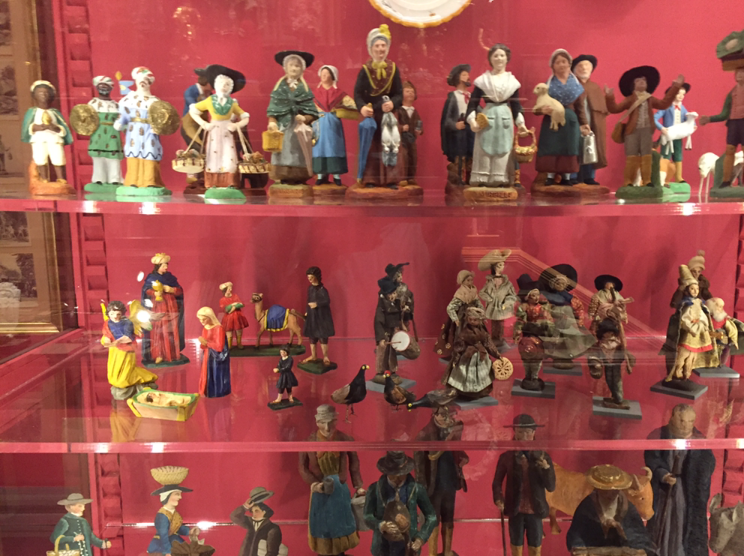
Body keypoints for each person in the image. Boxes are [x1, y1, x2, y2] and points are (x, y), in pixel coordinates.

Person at [644, 404, 715, 556]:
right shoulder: (659, 435)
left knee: (684, 522)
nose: (685, 425)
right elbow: (652, 459)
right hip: (664, 491)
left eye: (690, 421)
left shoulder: (700, 440)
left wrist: (694, 477)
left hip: (686, 493)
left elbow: (707, 464)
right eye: (681, 420)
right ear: (672, 418)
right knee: (662, 523)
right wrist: (663, 475)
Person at [299, 405, 365, 556]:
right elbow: (302, 468)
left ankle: (340, 551)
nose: (327, 427)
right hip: (319, 489)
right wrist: (315, 484)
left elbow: (354, 464)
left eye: (330, 422)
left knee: (341, 522)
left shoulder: (345, 439)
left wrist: (358, 486)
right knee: (321, 524)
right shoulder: (308, 441)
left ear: (336, 420)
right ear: (317, 422)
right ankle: (323, 551)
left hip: (339, 488)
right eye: (323, 422)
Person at [605, 67, 683, 187]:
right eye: (638, 80)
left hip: (646, 131)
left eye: (644, 80)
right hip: (632, 132)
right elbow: (615, 109)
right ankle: (628, 181)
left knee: (647, 156)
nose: (641, 82)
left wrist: (675, 88)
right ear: (633, 85)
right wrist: (609, 97)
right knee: (631, 156)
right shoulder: (630, 99)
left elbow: (664, 104)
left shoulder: (649, 99)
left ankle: (647, 181)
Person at [466, 43, 527, 187]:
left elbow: (516, 106)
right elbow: (472, 104)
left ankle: (500, 178)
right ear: (490, 59)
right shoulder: (483, 81)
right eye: (495, 56)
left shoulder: (512, 82)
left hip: (505, 119)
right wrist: (472, 121)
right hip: (487, 118)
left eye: (502, 55)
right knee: (484, 148)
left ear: (507, 58)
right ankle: (482, 178)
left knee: (503, 148)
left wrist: (521, 124)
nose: (499, 58)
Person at [493, 415, 555, 556]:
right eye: (520, 432)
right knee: (516, 545)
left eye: (528, 432)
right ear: (515, 432)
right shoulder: (507, 457)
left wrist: (546, 469)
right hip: (515, 509)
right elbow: (497, 482)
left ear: (534, 433)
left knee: (535, 546)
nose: (524, 437)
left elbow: (551, 486)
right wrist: (498, 498)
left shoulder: (543, 456)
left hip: (535, 510)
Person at [414, 393, 468, 556]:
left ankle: (447, 551)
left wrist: (463, 458)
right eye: (444, 415)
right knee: (433, 521)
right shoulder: (424, 435)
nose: (447, 419)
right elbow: (422, 464)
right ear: (435, 414)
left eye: (450, 415)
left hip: (450, 483)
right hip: (433, 486)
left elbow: (458, 451)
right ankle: (432, 553)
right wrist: (421, 490)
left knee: (449, 519)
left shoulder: (453, 431)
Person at [354, 24, 404, 188]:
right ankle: (371, 178)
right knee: (372, 147)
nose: (380, 49)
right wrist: (362, 107)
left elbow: (399, 93)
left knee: (390, 145)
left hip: (388, 116)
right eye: (377, 46)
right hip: (373, 116)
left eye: (383, 45)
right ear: (371, 48)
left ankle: (391, 179)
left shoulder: (393, 69)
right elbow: (358, 94)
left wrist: (392, 103)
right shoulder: (365, 70)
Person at [566, 464, 656, 555]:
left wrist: (621, 530)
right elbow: (577, 534)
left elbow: (638, 534)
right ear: (598, 488)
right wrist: (580, 548)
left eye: (615, 490)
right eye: (606, 490)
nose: (610, 494)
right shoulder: (587, 507)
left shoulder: (627, 507)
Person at [363, 451, 438, 556]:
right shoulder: (374, 489)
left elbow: (431, 517)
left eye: (401, 474)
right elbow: (367, 516)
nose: (397, 478)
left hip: (408, 546)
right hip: (383, 548)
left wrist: (420, 539)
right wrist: (381, 525)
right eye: (393, 474)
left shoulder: (417, 489)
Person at [534, 49, 591, 186]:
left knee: (569, 147)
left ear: (569, 64)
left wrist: (584, 123)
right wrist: (542, 110)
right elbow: (538, 105)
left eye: (564, 61)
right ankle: (550, 176)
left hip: (570, 122)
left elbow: (580, 107)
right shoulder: (547, 86)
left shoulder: (576, 86)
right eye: (557, 62)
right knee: (551, 146)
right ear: (552, 65)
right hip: (551, 121)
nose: (561, 65)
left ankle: (567, 176)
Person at [189, 65, 250, 191]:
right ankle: (213, 182)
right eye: (221, 83)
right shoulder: (210, 101)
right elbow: (193, 111)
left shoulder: (232, 103)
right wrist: (204, 124)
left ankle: (229, 182)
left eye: (227, 84)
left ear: (230, 88)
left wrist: (236, 125)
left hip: (227, 131)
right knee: (213, 154)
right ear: (216, 85)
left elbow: (245, 117)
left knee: (228, 154)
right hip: (214, 130)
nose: (224, 86)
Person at [267, 51, 319, 186]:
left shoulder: (304, 89)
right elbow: (274, 107)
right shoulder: (279, 88)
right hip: (283, 127)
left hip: (297, 128)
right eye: (291, 65)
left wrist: (305, 118)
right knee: (282, 150)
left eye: (297, 66)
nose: (294, 68)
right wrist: (272, 122)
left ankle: (299, 176)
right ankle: (282, 175)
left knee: (298, 151)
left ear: (302, 69)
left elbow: (312, 111)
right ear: (285, 67)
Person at [114, 67, 168, 189]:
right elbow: (123, 114)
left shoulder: (155, 102)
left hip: (149, 131)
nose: (143, 82)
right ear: (136, 81)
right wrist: (120, 122)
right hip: (133, 131)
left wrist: (157, 126)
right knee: (133, 152)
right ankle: (132, 180)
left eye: (146, 80)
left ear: (149, 83)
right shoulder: (128, 99)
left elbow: (160, 117)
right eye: (140, 80)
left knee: (150, 152)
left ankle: (150, 181)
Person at [665, 265, 718, 382]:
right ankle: (677, 372)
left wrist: (703, 323)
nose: (695, 291)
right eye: (692, 289)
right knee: (683, 355)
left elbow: (704, 314)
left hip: (698, 332)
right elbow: (683, 318)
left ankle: (687, 373)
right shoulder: (686, 303)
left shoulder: (699, 301)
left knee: (693, 356)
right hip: (690, 332)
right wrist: (692, 326)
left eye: (697, 289)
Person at [101, 300, 157, 400]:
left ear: (122, 313)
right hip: (114, 351)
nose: (115, 316)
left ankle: (146, 377)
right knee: (114, 371)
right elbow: (107, 333)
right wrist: (107, 339)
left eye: (118, 314)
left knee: (126, 372)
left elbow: (128, 338)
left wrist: (116, 342)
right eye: (112, 314)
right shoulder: (108, 322)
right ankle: (119, 383)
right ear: (108, 313)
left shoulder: (128, 323)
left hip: (126, 350)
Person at [443, 306, 502, 399]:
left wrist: (497, 354)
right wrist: (457, 356)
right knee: (465, 372)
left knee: (483, 373)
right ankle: (465, 391)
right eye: (470, 319)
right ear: (467, 319)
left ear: (480, 320)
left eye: (475, 320)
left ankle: (481, 390)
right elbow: (460, 344)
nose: (472, 322)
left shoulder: (483, 331)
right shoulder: (465, 331)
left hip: (481, 356)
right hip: (468, 356)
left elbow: (488, 343)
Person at [699, 68, 744, 187]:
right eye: (737, 72)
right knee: (730, 150)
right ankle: (726, 180)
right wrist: (709, 119)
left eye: (742, 72)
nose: (739, 75)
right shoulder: (732, 93)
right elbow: (724, 114)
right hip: (733, 124)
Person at [313, 65, 356, 185]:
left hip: (333, 123)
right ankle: (320, 174)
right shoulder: (314, 93)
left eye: (327, 74)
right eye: (322, 73)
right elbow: (308, 107)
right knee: (319, 147)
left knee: (334, 147)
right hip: (319, 123)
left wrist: (361, 107)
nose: (324, 75)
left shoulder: (339, 94)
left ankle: (336, 175)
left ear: (332, 77)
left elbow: (351, 103)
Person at [21, 80, 72, 183]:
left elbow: (63, 127)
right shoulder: (32, 112)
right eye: (40, 93)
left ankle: (61, 178)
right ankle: (44, 179)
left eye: (46, 93)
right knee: (40, 158)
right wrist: (35, 127)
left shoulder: (55, 112)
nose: (43, 95)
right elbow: (27, 127)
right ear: (34, 95)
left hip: (54, 139)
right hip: (39, 139)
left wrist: (56, 128)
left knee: (58, 157)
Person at [141, 253, 186, 366]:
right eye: (163, 265)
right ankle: (159, 354)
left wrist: (171, 290)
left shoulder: (170, 277)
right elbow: (146, 291)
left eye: (167, 264)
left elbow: (179, 291)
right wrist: (154, 293)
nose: (166, 267)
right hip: (158, 305)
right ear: (158, 266)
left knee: (171, 328)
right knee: (159, 329)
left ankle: (173, 354)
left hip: (171, 306)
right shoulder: (151, 278)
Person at [571, 54, 607, 185]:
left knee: (591, 149)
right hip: (576, 125)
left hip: (593, 126)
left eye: (587, 65)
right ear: (574, 69)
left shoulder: (595, 87)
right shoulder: (572, 86)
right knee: (575, 150)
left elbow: (603, 109)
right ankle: (572, 176)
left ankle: (589, 176)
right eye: (580, 66)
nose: (584, 68)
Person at [434, 270, 484, 360]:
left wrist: (481, 311)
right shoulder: (460, 293)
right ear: (462, 281)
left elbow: (478, 302)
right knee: (460, 334)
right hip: (462, 317)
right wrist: (455, 319)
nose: (470, 282)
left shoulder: (473, 290)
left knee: (476, 333)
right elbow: (450, 307)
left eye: (471, 280)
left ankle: (473, 352)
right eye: (468, 280)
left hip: (473, 315)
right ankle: (458, 354)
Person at [513, 281, 554, 391]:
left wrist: (548, 328)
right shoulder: (524, 307)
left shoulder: (543, 307)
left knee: (537, 358)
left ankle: (534, 376)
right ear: (528, 296)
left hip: (539, 336)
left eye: (537, 295)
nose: (536, 298)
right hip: (527, 335)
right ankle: (527, 376)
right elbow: (520, 320)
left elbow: (549, 321)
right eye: (533, 295)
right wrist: (518, 331)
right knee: (526, 357)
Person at [587, 319, 634, 409]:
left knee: (617, 381)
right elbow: (596, 354)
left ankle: (619, 398)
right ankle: (615, 396)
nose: (608, 334)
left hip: (615, 364)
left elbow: (624, 352)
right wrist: (596, 363)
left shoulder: (617, 343)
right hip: (607, 364)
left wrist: (629, 360)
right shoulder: (600, 344)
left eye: (610, 332)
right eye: (606, 332)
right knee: (608, 380)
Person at [441, 64, 475, 187]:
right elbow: (447, 120)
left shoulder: (471, 97)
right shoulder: (453, 97)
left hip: (471, 130)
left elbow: (478, 111)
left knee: (471, 154)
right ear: (458, 78)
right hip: (459, 132)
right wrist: (455, 125)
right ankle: (459, 179)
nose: (468, 77)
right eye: (464, 75)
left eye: (468, 74)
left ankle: (471, 179)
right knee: (460, 156)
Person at [148, 468, 196, 554]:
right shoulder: (162, 516)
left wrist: (189, 531)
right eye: (177, 494)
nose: (180, 497)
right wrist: (168, 551)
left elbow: (177, 528)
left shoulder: (174, 513)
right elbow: (163, 535)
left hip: (174, 540)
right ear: (168, 496)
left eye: (180, 494)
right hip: (162, 545)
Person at [87, 76, 123, 186]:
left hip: (113, 133)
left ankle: (115, 179)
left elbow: (122, 119)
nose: (103, 88)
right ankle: (99, 179)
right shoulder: (92, 103)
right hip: (98, 133)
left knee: (114, 158)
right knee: (98, 157)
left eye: (106, 86)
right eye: (101, 86)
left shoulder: (116, 105)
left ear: (111, 88)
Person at [478, 249, 517, 349]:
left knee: (500, 323)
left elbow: (512, 295)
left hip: (502, 307)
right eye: (499, 265)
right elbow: (482, 292)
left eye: (503, 265)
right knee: (494, 323)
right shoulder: (489, 282)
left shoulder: (506, 282)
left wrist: (506, 303)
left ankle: (499, 339)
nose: (502, 267)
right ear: (494, 267)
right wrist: (489, 299)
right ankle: (494, 339)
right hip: (493, 308)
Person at [655, 83, 692, 183]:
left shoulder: (683, 108)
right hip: (668, 136)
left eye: (683, 94)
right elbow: (654, 118)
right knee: (665, 156)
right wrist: (662, 128)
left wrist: (692, 125)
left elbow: (688, 119)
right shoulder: (666, 107)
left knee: (678, 156)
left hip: (678, 136)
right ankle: (663, 179)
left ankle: (678, 177)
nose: (681, 96)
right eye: (678, 93)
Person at [230, 487, 283, 556]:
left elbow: (272, 552)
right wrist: (245, 507)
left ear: (264, 512)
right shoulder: (250, 522)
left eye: (257, 511)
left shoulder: (273, 528)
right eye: (252, 511)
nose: (254, 514)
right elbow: (234, 516)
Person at [302, 266, 335, 366]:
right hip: (312, 316)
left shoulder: (322, 290)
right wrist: (307, 311)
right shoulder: (310, 289)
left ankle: (325, 356)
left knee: (322, 336)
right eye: (308, 278)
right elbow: (308, 300)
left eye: (311, 277)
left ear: (316, 277)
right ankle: (313, 355)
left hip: (321, 316)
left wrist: (317, 304)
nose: (310, 279)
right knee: (312, 336)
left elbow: (327, 301)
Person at [374, 276, 403, 384]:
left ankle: (392, 369)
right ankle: (380, 372)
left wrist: (401, 326)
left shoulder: (395, 304)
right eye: (390, 294)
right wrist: (381, 338)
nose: (393, 296)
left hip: (392, 331)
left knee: (392, 352)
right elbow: (378, 322)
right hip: (384, 333)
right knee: (383, 353)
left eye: (394, 293)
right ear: (385, 295)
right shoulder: (382, 307)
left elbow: (397, 318)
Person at [197, 306, 231, 398]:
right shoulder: (205, 328)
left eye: (204, 319)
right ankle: (206, 391)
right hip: (207, 356)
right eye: (200, 319)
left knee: (215, 375)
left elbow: (219, 347)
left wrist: (206, 343)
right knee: (206, 374)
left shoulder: (219, 329)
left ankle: (216, 391)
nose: (202, 322)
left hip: (216, 358)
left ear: (210, 317)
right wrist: (203, 343)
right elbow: (203, 346)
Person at [397, 81, 422, 185]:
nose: (410, 93)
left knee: (413, 157)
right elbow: (393, 124)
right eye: (407, 91)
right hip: (402, 140)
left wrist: (419, 130)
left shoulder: (414, 111)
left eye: (412, 91)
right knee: (404, 157)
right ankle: (402, 177)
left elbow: (419, 123)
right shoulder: (399, 110)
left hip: (412, 139)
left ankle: (411, 177)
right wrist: (401, 128)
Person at [705, 297, 740, 367]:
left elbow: (731, 328)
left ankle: (721, 363)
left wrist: (733, 340)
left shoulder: (724, 318)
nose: (721, 309)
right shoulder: (706, 317)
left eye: (722, 307)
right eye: (719, 306)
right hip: (708, 337)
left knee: (726, 348)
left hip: (721, 337)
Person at [218, 281, 249, 349]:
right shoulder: (222, 299)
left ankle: (239, 343)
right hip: (228, 318)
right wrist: (234, 304)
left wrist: (234, 307)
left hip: (238, 316)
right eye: (229, 288)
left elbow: (241, 304)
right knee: (229, 331)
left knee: (239, 330)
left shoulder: (235, 296)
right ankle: (229, 345)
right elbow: (226, 309)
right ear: (225, 290)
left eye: (231, 288)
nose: (230, 290)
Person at [385, 262, 414, 332]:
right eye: (398, 276)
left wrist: (407, 306)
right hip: (394, 311)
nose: (401, 277)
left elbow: (409, 297)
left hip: (404, 309)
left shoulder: (404, 286)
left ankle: (405, 323)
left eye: (401, 275)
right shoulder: (390, 288)